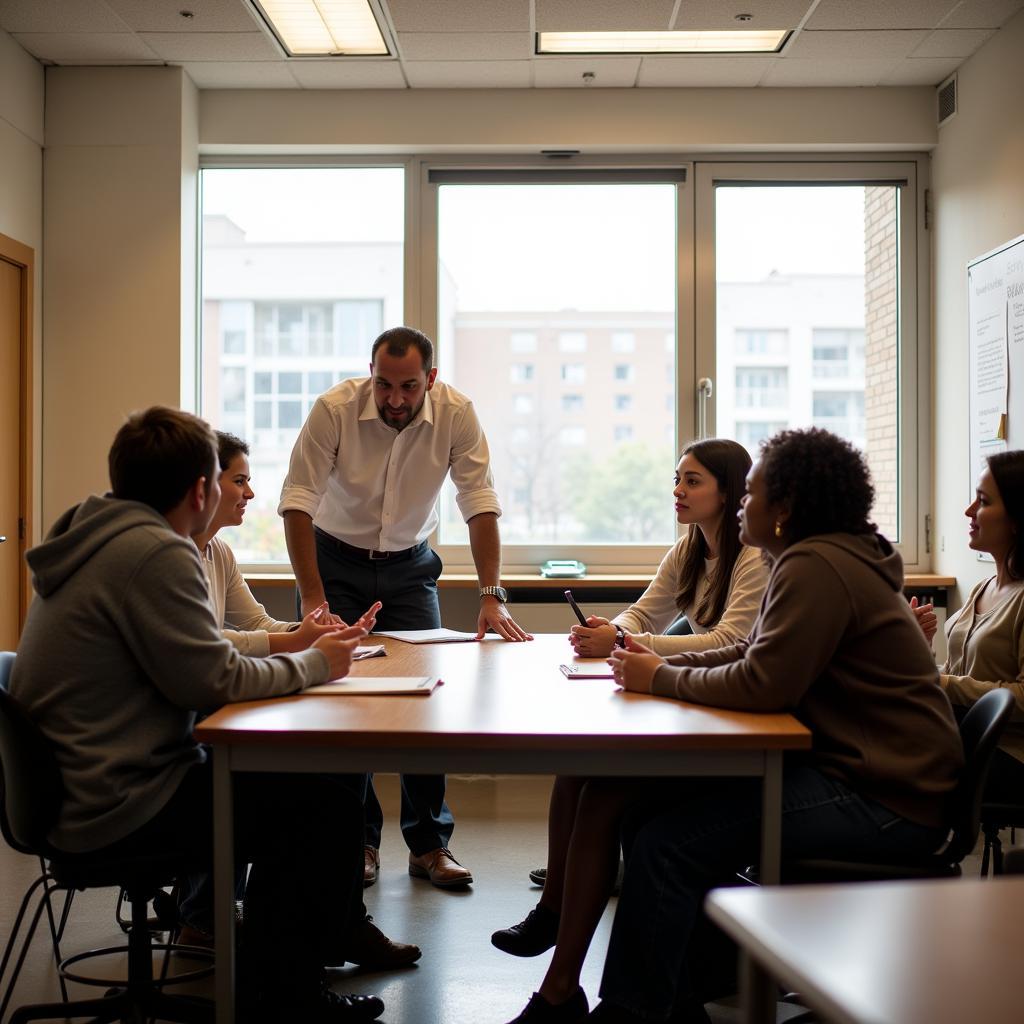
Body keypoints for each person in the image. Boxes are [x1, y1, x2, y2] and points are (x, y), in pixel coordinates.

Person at [11, 406, 395, 1023]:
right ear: (200, 489)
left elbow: (203, 653)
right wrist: (321, 664)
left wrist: (301, 648)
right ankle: (283, 1000)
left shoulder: (105, 536)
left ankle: (274, 975)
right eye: (224, 480)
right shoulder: (153, 553)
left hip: (69, 790)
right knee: (323, 810)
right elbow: (212, 678)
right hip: (117, 802)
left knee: (311, 793)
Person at [585, 427, 962, 1024]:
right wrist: (660, 665)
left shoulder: (815, 565)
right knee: (643, 812)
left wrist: (659, 677)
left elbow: (764, 684)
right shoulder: (813, 556)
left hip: (884, 794)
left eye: (751, 493)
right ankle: (679, 996)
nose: (741, 505)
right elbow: (751, 656)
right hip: (866, 771)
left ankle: (635, 1013)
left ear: (783, 509)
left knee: (666, 843)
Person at [495, 439, 769, 1023]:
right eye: (677, 479)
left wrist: (625, 644)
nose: (677, 490)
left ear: (730, 490)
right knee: (574, 769)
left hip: (734, 724)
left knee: (601, 794)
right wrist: (611, 627)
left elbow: (727, 644)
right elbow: (644, 611)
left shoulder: (754, 558)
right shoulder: (690, 548)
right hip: (702, 706)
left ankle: (560, 984)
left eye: (692, 481)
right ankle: (552, 914)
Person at [280, 325, 532, 889]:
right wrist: (315, 599)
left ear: (431, 380)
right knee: (345, 704)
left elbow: (479, 503)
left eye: (408, 387)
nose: (395, 399)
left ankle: (429, 845)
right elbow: (297, 504)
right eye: (384, 384)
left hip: (409, 565)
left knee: (426, 705)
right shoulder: (334, 410)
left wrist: (491, 595)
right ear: (371, 375)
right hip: (334, 561)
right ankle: (358, 843)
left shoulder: (456, 414)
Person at [177, 431, 418, 971]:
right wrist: (304, 649)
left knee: (338, 776)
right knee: (320, 793)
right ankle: (284, 945)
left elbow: (255, 625)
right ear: (203, 487)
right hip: (172, 760)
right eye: (239, 480)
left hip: (188, 732)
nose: (250, 493)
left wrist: (314, 630)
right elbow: (212, 647)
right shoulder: (170, 559)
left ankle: (331, 928)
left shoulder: (216, 551)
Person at [933, 450, 1024, 805]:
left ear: (1017, 518)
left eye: (983, 501)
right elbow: (959, 675)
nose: (969, 512)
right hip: (967, 738)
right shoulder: (983, 588)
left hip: (1011, 757)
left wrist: (942, 683)